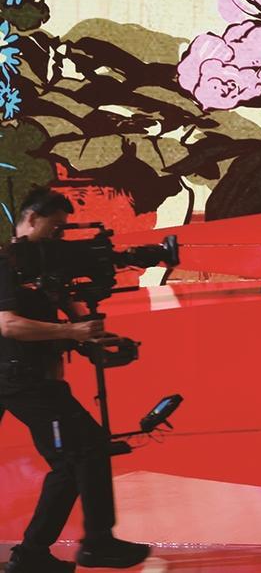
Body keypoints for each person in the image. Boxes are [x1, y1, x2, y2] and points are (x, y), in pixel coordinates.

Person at [0, 189, 151, 571]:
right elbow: (10, 325)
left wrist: (97, 337)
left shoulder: (44, 269)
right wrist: (72, 333)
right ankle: (94, 544)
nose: (58, 237)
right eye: (54, 228)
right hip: (21, 380)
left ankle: (35, 555)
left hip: (34, 379)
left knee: (72, 461)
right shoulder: (5, 264)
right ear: (31, 219)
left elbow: (72, 317)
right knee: (87, 449)